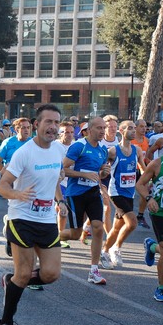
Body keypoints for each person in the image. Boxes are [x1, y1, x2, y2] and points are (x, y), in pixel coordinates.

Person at [0, 104, 67, 325]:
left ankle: (11, 281)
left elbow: (56, 176)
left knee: (51, 274)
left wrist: (60, 199)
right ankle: (5, 324)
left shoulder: (57, 150)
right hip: (21, 218)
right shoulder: (24, 152)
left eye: (57, 122)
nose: (53, 127)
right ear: (37, 124)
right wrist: (18, 195)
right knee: (24, 274)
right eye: (48, 122)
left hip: (47, 219)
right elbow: (2, 186)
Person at [59, 117, 112, 284]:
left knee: (97, 228)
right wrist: (83, 174)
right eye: (99, 128)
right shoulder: (79, 146)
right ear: (89, 130)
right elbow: (63, 169)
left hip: (93, 193)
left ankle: (93, 271)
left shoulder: (103, 150)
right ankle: (48, 236)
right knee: (75, 234)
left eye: (104, 128)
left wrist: (104, 173)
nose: (102, 131)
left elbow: (99, 175)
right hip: (76, 193)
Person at [101, 120, 146, 268]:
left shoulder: (137, 150)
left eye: (134, 128)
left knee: (116, 228)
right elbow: (100, 168)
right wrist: (101, 177)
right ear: (121, 131)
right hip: (116, 192)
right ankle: (116, 248)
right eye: (130, 128)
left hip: (130, 193)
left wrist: (150, 180)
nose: (134, 131)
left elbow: (143, 169)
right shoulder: (113, 151)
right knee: (132, 223)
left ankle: (105, 250)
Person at [137, 131, 163, 302]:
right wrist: (149, 198)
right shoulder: (158, 164)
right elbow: (140, 184)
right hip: (160, 212)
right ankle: (161, 288)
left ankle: (152, 247)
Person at [131, 119, 151, 229]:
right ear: (136, 128)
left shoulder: (146, 140)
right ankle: (124, 214)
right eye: (142, 126)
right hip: (131, 170)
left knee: (145, 191)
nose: (144, 129)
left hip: (142, 170)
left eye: (145, 126)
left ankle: (140, 215)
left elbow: (147, 155)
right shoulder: (131, 140)